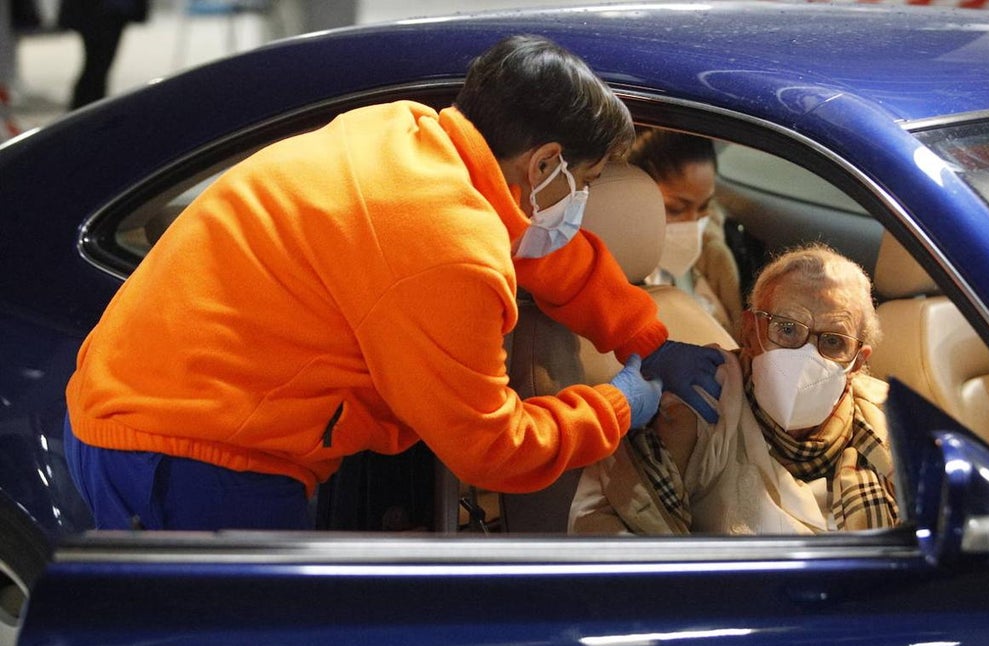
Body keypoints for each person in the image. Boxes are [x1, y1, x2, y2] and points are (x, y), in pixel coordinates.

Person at [64, 34, 724, 531]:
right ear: (545, 163)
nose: (579, 199)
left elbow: (537, 244)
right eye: (584, 180)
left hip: (148, 404)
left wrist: (648, 335)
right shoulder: (448, 251)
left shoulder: (412, 137)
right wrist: (619, 404)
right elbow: (493, 449)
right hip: (191, 460)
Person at [570, 243, 900, 535]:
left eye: (832, 341)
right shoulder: (696, 403)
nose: (806, 354)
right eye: (787, 329)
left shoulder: (891, 425)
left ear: (858, 361)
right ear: (751, 331)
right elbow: (621, 545)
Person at [627, 128, 743, 335]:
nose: (692, 222)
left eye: (703, 207)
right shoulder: (610, 277)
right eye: (676, 209)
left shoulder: (713, 259)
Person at [57, 0, 150, 110]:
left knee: (98, 66)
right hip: (100, 12)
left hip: (109, 12)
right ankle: (87, 110)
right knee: (96, 66)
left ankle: (90, 108)